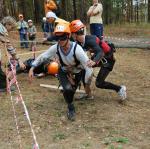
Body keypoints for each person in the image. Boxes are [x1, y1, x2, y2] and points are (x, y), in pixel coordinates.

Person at [29, 22, 93, 121]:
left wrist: (87, 81)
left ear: (68, 36)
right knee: (68, 89)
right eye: (57, 38)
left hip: (77, 72)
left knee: (71, 91)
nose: (60, 41)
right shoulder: (56, 48)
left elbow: (88, 66)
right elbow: (43, 56)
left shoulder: (77, 49)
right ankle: (71, 108)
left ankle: (68, 93)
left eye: (63, 37)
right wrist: (32, 67)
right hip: (63, 71)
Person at [70, 20, 127, 101]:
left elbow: (100, 52)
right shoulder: (79, 43)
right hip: (99, 58)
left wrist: (94, 61)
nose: (71, 36)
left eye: (71, 34)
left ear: (74, 34)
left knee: (99, 83)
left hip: (108, 59)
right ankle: (88, 95)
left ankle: (120, 89)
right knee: (82, 69)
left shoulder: (90, 40)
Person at [0, 16, 25, 92]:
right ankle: (3, 86)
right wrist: (19, 61)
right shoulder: (2, 32)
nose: (11, 30)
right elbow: (10, 47)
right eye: (12, 27)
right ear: (7, 24)